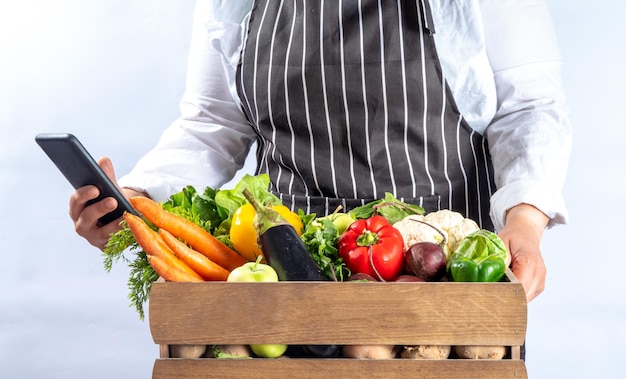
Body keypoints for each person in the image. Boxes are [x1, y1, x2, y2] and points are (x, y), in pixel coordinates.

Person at [69, 0, 571, 303]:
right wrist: (138, 198)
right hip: (284, 279)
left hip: (437, 280)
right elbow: (214, 119)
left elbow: (528, 107)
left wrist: (525, 224)